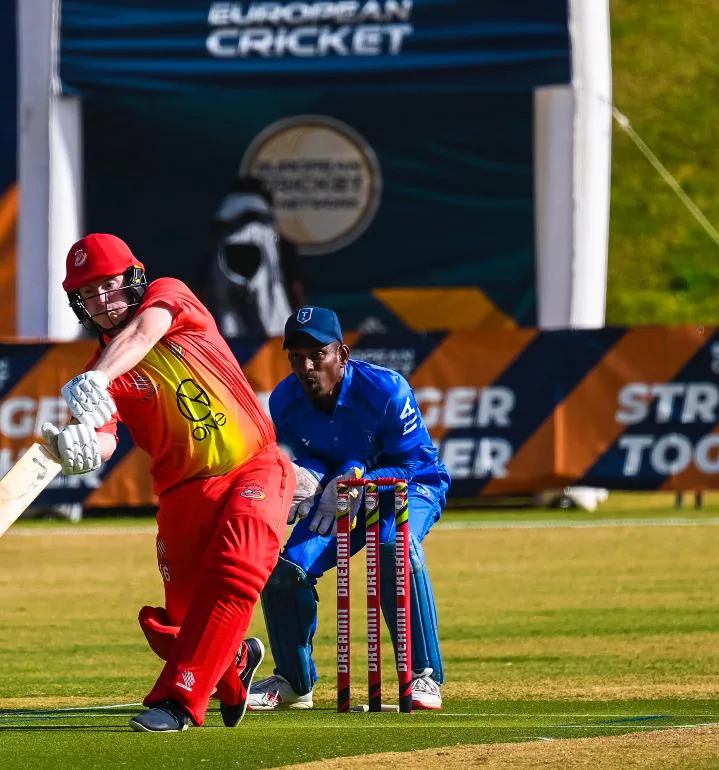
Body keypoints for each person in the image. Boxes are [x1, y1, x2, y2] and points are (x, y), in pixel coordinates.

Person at [40, 233, 296, 732]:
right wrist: (83, 452)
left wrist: (97, 377)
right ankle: (233, 663)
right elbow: (105, 438)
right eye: (88, 295)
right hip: (182, 496)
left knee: (237, 570)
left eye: (110, 287)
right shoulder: (97, 374)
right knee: (180, 622)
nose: (103, 303)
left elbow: (139, 336)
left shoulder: (170, 296)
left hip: (255, 466)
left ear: (134, 278)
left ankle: (178, 703)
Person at [247, 306, 449, 711]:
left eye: (317, 354)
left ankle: (424, 676)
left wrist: (356, 477)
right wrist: (308, 477)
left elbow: (412, 463)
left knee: (394, 546)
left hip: (410, 488)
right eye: (296, 356)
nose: (306, 366)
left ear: (342, 353)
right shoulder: (285, 400)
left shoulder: (386, 389)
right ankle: (294, 681)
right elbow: (312, 456)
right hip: (336, 497)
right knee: (287, 570)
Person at [203, 176, 305, 338]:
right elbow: (294, 284)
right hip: (262, 327)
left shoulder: (220, 235)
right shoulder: (271, 235)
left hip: (248, 325)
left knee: (235, 320)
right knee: (243, 318)